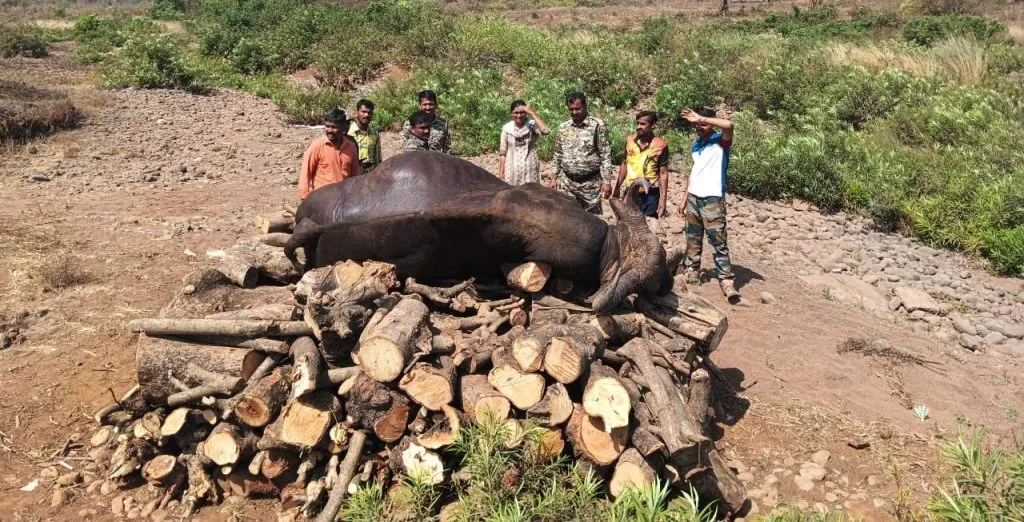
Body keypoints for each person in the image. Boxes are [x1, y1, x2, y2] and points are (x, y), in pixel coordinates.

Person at [676, 107, 738, 301]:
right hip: (694, 197)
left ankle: (726, 280)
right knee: (692, 238)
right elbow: (694, 171)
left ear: (711, 123)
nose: (699, 127)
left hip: (712, 198)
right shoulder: (696, 145)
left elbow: (729, 125)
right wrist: (685, 197)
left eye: (703, 124)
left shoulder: (720, 141)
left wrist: (703, 117)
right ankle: (691, 271)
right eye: (696, 125)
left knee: (718, 240)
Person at [552, 92, 612, 214]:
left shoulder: (597, 126)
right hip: (567, 183)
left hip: (590, 184)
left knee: (592, 221)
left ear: (585, 107)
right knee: (567, 218)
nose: (574, 112)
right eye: (571, 109)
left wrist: (607, 181)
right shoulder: (563, 127)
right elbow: (558, 153)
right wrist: (553, 177)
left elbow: (605, 155)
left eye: (578, 109)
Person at [614, 111, 669, 219]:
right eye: (637, 123)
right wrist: (617, 187)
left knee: (648, 225)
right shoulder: (630, 141)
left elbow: (663, 173)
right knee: (625, 222)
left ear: (653, 125)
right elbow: (624, 164)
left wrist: (663, 200)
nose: (638, 127)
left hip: (650, 193)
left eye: (643, 124)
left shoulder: (660, 145)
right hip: (630, 191)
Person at [297, 108, 360, 201]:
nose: (329, 130)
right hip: (322, 199)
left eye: (334, 127)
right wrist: (305, 197)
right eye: (327, 126)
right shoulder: (317, 146)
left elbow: (355, 176)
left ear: (343, 128)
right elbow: (305, 173)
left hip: (343, 199)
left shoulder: (351, 148)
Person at [498, 100, 550, 185]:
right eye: (516, 113)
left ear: (526, 113)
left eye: (522, 112)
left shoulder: (532, 125)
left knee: (532, 195)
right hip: (512, 171)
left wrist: (533, 114)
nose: (519, 115)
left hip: (530, 169)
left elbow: (546, 131)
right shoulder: (507, 129)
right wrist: (500, 175)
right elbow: (503, 153)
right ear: (511, 113)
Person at [347, 99, 382, 172]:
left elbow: (377, 158)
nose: (366, 115)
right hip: (353, 173)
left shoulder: (374, 134)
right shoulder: (348, 132)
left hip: (370, 173)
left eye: (369, 113)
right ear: (357, 112)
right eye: (363, 112)